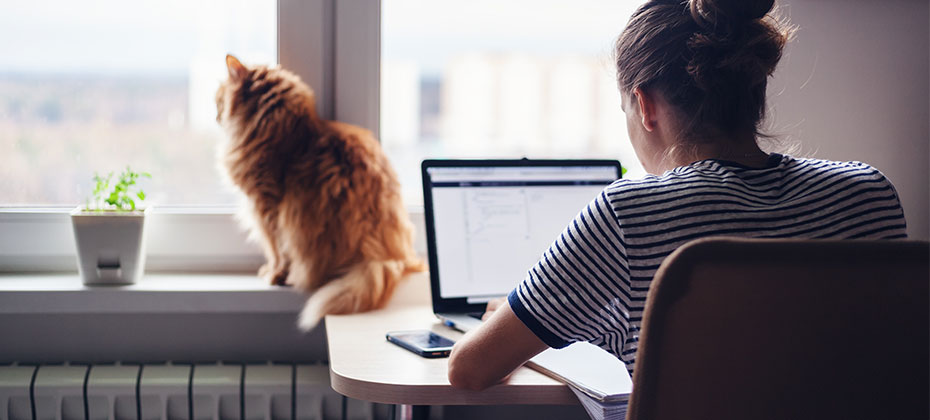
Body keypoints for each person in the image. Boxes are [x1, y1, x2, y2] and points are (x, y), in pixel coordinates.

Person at [447, 0, 908, 391]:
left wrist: (513, 317)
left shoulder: (627, 215)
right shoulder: (869, 194)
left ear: (644, 106)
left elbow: (469, 370)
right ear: (755, 89)